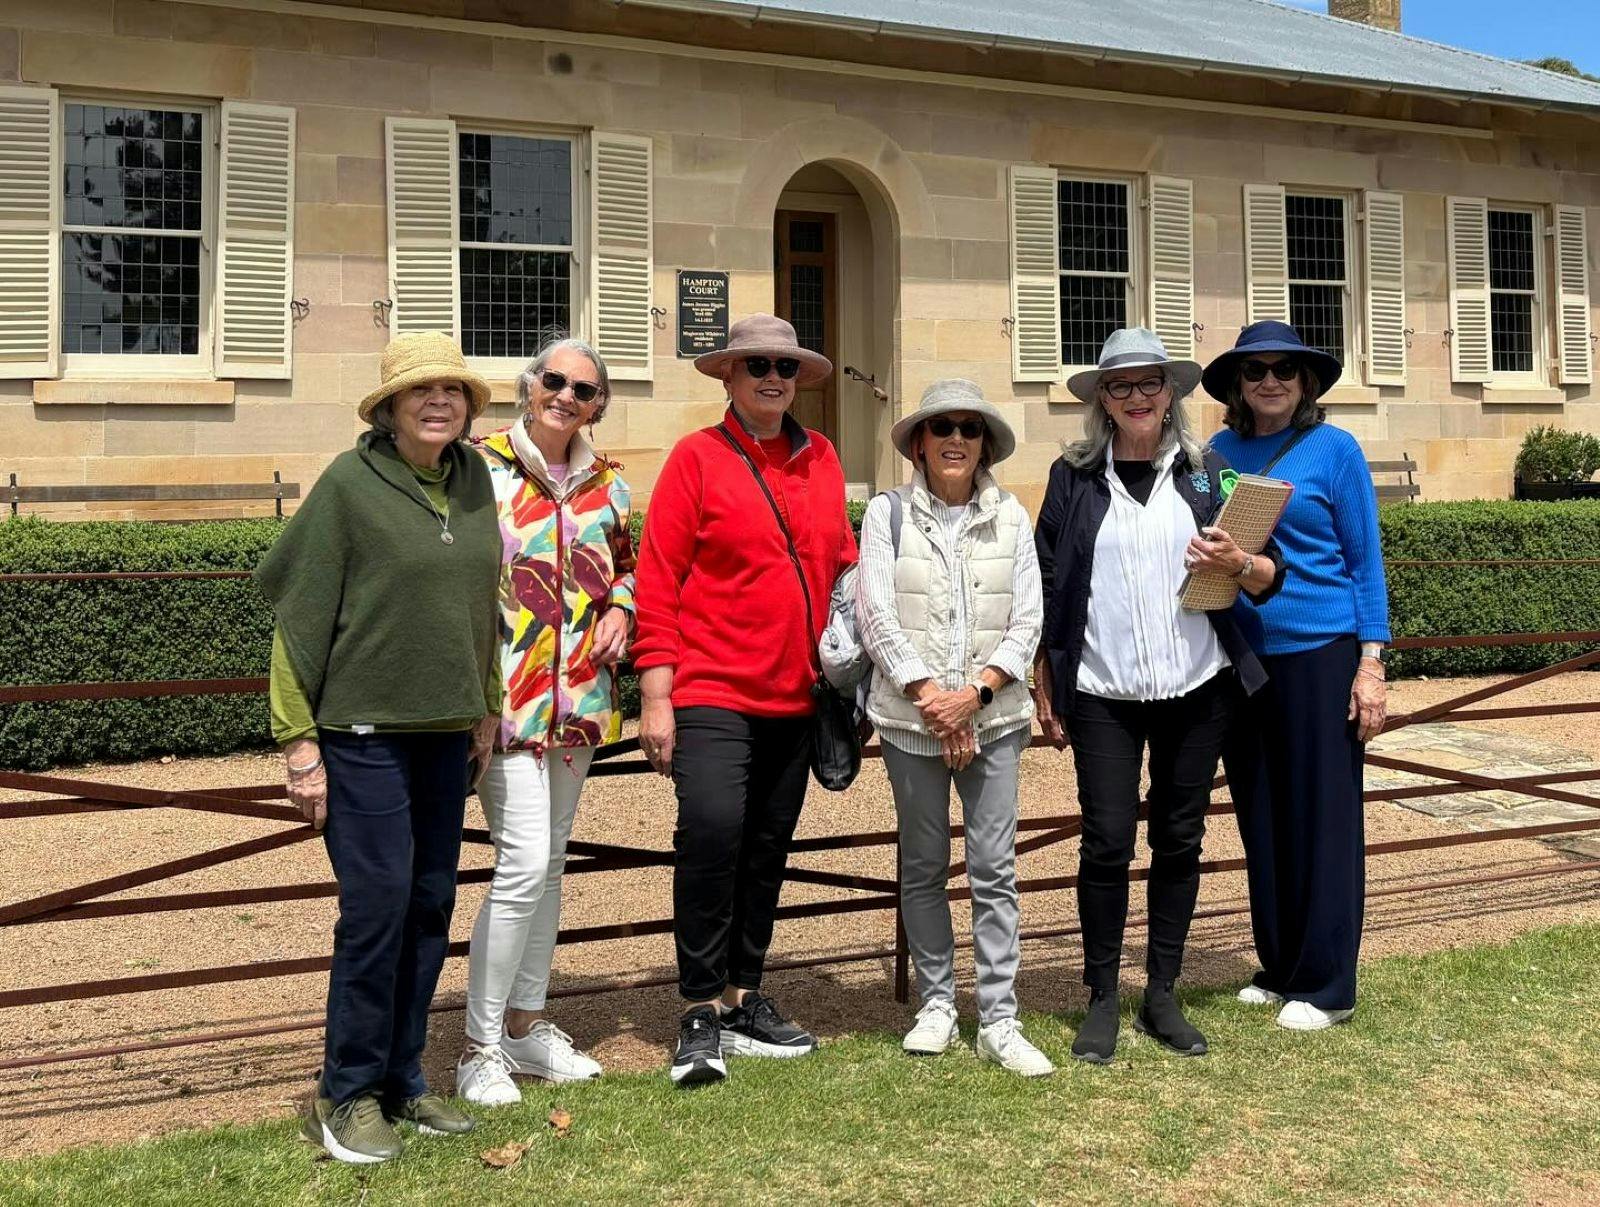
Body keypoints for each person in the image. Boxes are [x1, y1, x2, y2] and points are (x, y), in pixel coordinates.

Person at [256, 331, 501, 1164]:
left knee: (431, 901)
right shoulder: (347, 486)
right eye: (421, 392)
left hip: (443, 737)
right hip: (360, 736)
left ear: (468, 408)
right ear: (391, 408)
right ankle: (346, 1090)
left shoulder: (473, 481)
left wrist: (487, 702)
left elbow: (481, 607)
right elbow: (297, 618)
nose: (439, 403)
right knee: (376, 907)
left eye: (453, 392)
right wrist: (298, 743)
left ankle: (403, 1078)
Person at [1033, 328, 1284, 1065]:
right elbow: (1050, 582)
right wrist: (1046, 676)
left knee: (1179, 838)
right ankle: (1103, 995)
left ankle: (1163, 992)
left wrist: (1242, 562)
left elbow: (1274, 573)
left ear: (1170, 392)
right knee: (1107, 841)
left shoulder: (1210, 474)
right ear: (1102, 402)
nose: (1137, 398)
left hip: (1195, 688)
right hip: (1104, 691)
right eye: (1121, 386)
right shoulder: (1072, 477)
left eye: (1150, 384)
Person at [632, 314, 858, 1086]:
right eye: (757, 364)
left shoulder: (821, 456)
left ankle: (742, 994)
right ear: (729, 376)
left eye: (785, 367)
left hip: (796, 691)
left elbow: (842, 563)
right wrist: (655, 694)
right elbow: (658, 579)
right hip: (712, 688)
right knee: (712, 830)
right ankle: (698, 1006)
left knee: (765, 845)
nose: (772, 378)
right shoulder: (697, 458)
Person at [454, 338, 636, 1106]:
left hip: (581, 702)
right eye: (554, 381)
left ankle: (526, 1024)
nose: (566, 396)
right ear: (529, 386)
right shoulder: (478, 468)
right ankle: (478, 1045)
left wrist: (623, 608)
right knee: (523, 862)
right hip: (505, 703)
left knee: (552, 864)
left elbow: (631, 564)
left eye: (583, 389)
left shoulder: (611, 483)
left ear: (598, 404)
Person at [856, 379, 1053, 1077]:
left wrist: (973, 694)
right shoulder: (887, 516)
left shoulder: (1012, 517)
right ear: (919, 442)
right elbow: (874, 611)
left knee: (995, 869)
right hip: (912, 722)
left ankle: (999, 1015)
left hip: (993, 719)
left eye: (970, 428)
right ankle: (938, 1001)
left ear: (984, 444)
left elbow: (1028, 617)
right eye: (943, 428)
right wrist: (930, 696)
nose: (956, 440)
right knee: (923, 864)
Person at [1204, 320, 1389, 1032]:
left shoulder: (1334, 449)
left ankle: (1328, 981)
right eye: (1255, 371)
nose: (1271, 380)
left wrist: (1371, 663)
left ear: (1307, 380)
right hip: (1245, 655)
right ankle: (1280, 964)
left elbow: (1365, 562)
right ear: (1237, 386)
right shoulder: (1216, 452)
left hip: (1321, 650)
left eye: (1285, 368)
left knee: (1323, 814)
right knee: (1264, 811)